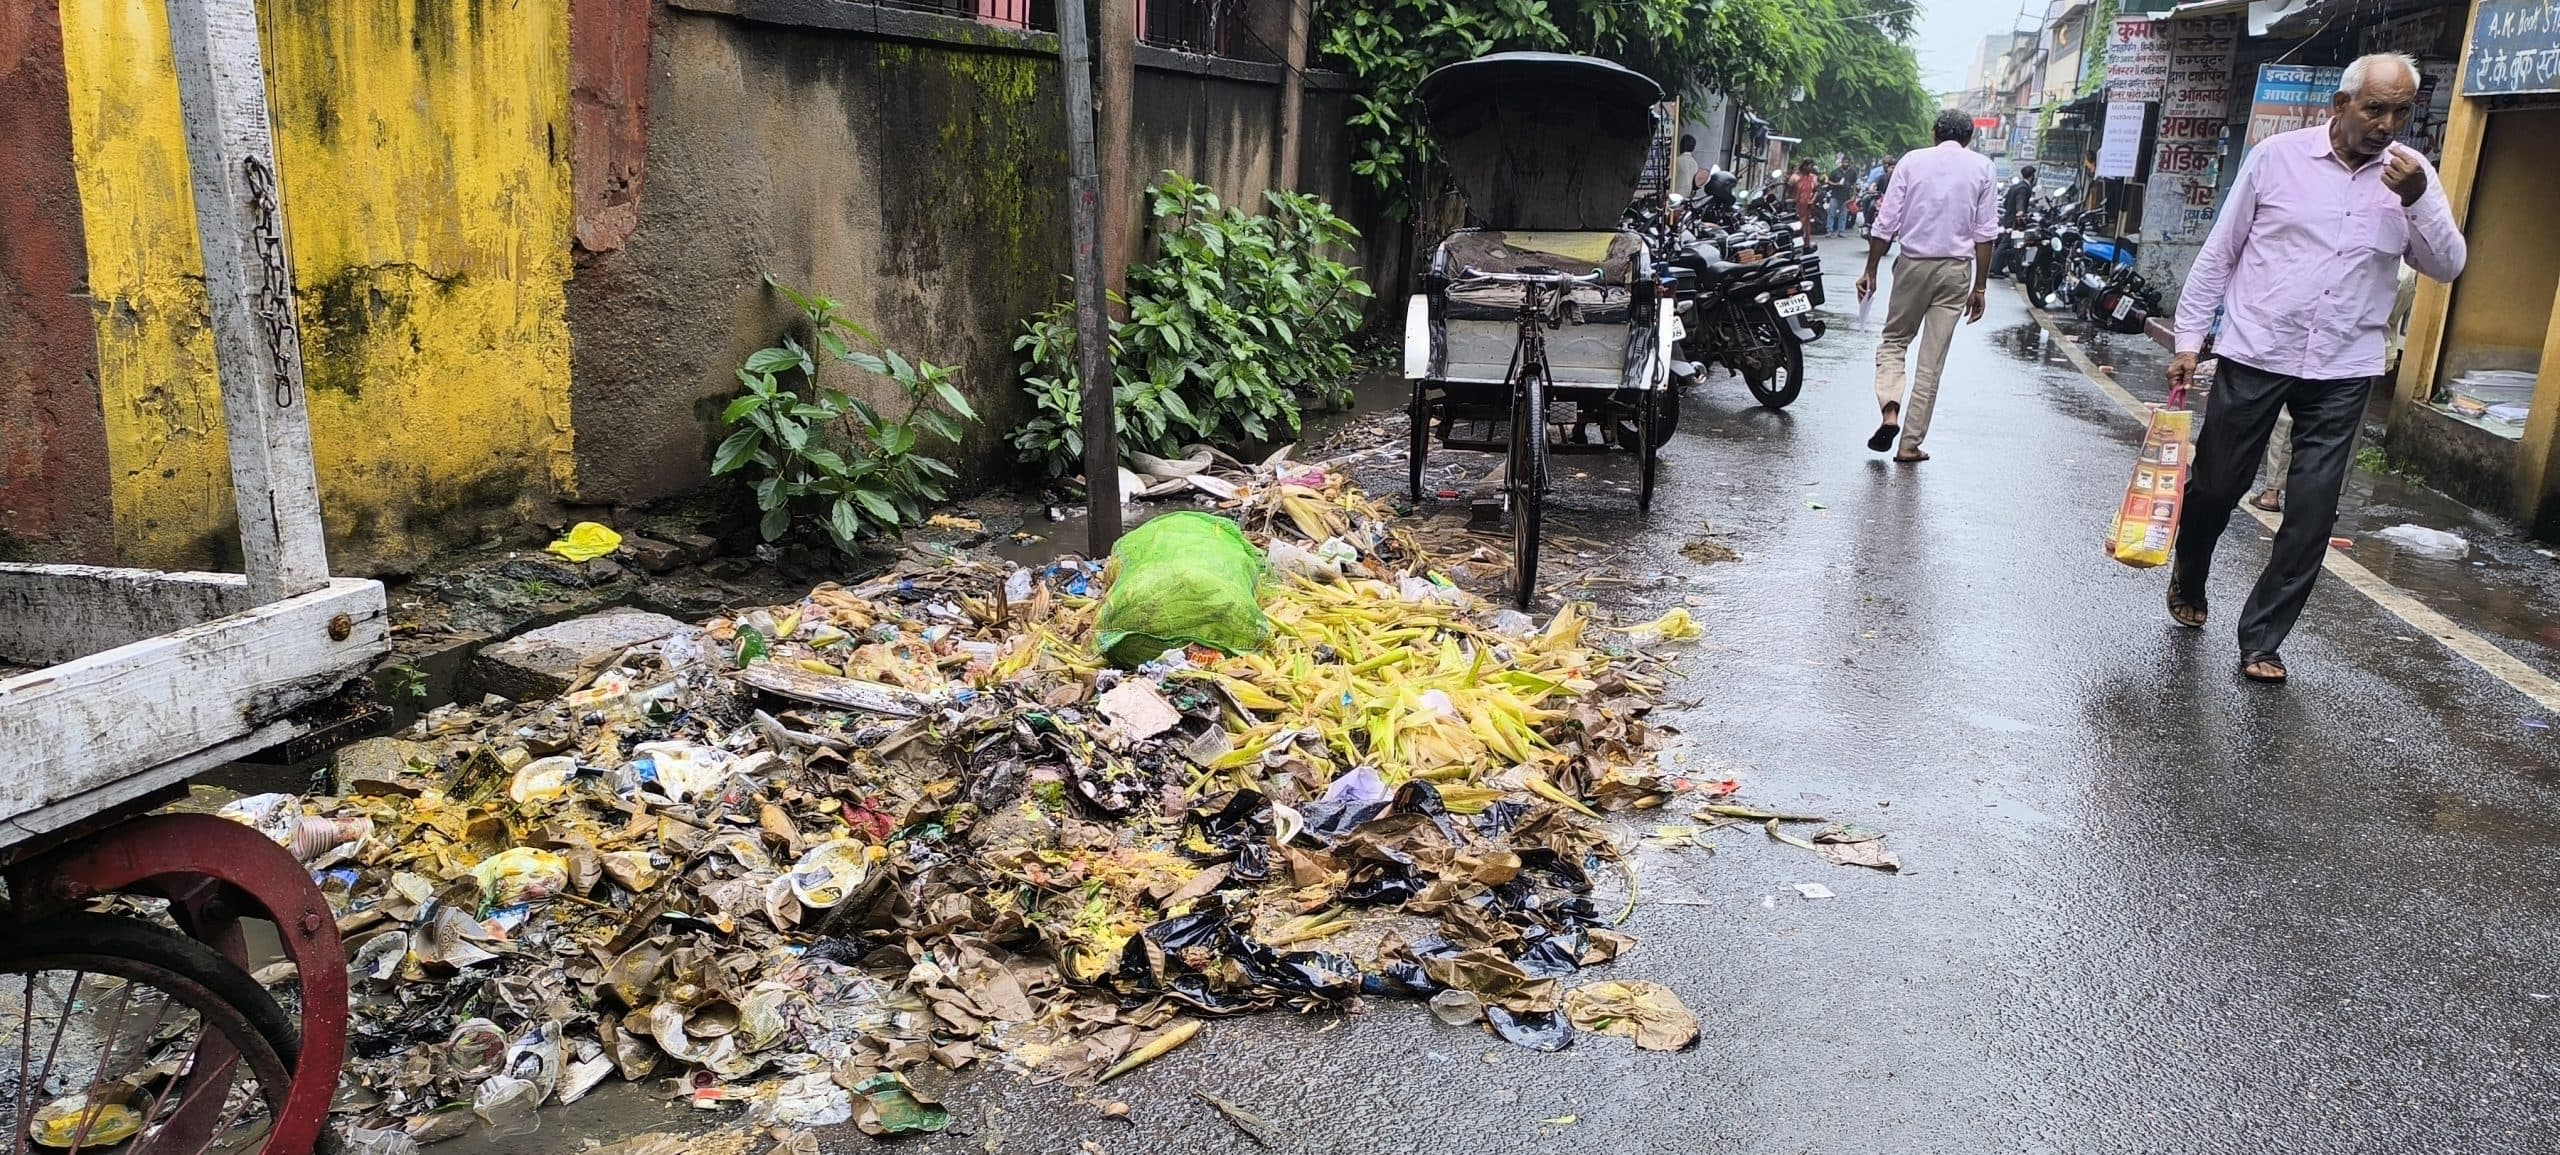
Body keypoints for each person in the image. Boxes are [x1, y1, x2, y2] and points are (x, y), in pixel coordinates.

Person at [2166, 53, 2465, 684]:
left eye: (2401, 111)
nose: (2388, 124)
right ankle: (2190, 573)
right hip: (2257, 348)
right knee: (2218, 485)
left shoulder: (2413, 179)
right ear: (2340, 104)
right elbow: (2221, 253)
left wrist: (2418, 205)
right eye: (2374, 108)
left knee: (2312, 509)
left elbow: (2447, 265)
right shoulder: (2277, 159)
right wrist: (2191, 339)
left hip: (2344, 364)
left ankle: (2263, 640)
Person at [1855, 110, 1999, 463]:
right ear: (1969, 137)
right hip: (1956, 272)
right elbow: (1986, 233)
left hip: (1912, 266)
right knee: (1931, 364)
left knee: (1894, 342)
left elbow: (1885, 221)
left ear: (1934, 133)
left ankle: (1890, 410)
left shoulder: (1911, 161)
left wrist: (1870, 269)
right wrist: (1979, 287)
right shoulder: (1983, 168)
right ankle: (1909, 446)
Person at [1790, 159, 1821, 243]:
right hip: (1795, 205)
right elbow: (1788, 190)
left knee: (1805, 225)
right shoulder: (1795, 177)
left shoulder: (1813, 177)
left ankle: (1805, 243)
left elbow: (1816, 190)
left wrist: (1812, 200)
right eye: (1810, 166)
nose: (1811, 168)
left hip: (1807, 205)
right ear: (1804, 166)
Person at [1826, 157, 1854, 236]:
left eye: (1847, 162)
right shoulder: (1835, 172)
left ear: (1849, 163)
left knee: (1844, 214)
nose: (1846, 164)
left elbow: (1854, 184)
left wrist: (1853, 196)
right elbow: (1828, 180)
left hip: (1846, 196)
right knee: (1831, 213)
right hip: (1835, 195)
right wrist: (1836, 184)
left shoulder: (1852, 172)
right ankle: (1829, 230)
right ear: (1841, 162)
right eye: (1844, 162)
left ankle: (1841, 231)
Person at [1674, 134, 1702, 199]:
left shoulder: (1676, 161)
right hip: (1687, 199)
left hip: (1674, 197)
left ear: (1681, 145)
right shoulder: (1695, 164)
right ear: (1693, 148)